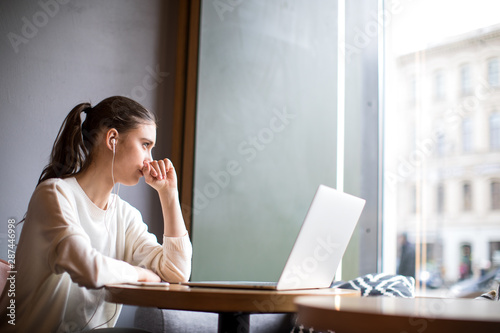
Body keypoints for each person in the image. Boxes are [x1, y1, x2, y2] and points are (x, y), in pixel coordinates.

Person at [0, 96, 192, 332]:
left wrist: (169, 194)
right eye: (145, 145)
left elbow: (177, 273)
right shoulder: (54, 194)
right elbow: (89, 269)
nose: (149, 161)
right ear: (112, 139)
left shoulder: (124, 214)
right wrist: (142, 275)